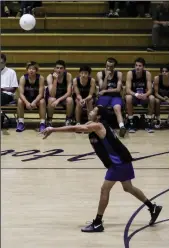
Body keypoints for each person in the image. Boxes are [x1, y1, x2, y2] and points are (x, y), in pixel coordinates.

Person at [40, 105, 162, 233]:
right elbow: (79, 129)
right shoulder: (94, 124)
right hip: (122, 160)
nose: (90, 111)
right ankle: (152, 207)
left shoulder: (98, 126)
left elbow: (76, 128)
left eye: (93, 111)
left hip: (118, 163)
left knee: (105, 189)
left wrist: (53, 129)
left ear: (98, 116)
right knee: (128, 187)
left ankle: (98, 223)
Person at [96, 58, 126, 137]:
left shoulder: (118, 74)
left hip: (115, 96)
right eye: (107, 66)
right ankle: (95, 126)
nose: (109, 68)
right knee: (99, 108)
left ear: (114, 67)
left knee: (117, 108)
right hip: (104, 97)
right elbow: (102, 88)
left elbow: (118, 89)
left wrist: (106, 91)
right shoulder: (100, 74)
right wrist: (106, 77)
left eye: (111, 67)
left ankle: (122, 127)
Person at [125, 57, 155, 133]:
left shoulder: (147, 74)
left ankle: (148, 121)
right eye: (136, 65)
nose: (137, 67)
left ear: (143, 67)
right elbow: (127, 90)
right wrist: (135, 94)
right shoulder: (130, 73)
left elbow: (150, 89)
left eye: (140, 66)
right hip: (134, 95)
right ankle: (131, 121)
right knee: (128, 97)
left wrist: (145, 94)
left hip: (144, 96)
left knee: (152, 98)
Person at [16, 61, 46, 132]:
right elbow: (21, 94)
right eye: (29, 69)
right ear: (27, 70)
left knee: (42, 101)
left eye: (33, 69)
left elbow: (41, 94)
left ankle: (42, 123)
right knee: (20, 100)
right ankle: (21, 122)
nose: (31, 70)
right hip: (26, 99)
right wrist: (26, 102)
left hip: (37, 99)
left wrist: (34, 102)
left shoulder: (40, 78)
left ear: (36, 70)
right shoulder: (23, 78)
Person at [46, 60, 74, 126]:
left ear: (64, 69)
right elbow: (52, 94)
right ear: (54, 69)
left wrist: (58, 100)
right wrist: (55, 80)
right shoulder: (50, 77)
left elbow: (69, 93)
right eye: (57, 68)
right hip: (53, 97)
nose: (59, 70)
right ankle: (49, 120)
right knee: (51, 99)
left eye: (61, 68)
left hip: (63, 97)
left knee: (70, 99)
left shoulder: (68, 76)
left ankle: (68, 119)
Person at [154, 64, 169, 129]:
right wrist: (163, 98)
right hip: (160, 96)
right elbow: (156, 93)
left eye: (166, 71)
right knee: (156, 101)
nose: (164, 73)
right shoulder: (157, 78)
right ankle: (158, 119)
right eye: (163, 71)